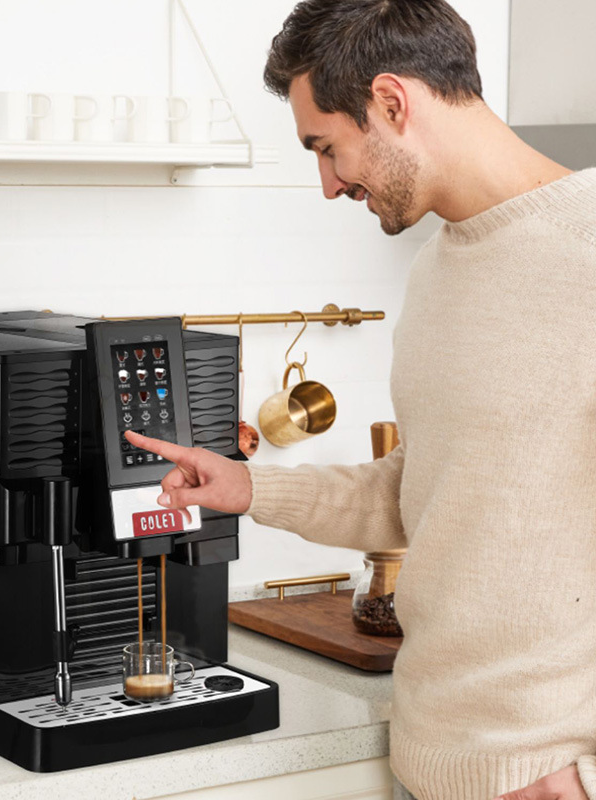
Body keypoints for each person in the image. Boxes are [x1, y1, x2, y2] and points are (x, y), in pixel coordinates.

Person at [126, 1, 596, 798]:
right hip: (434, 757)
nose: (328, 184)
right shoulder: (438, 269)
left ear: (391, 102)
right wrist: (250, 488)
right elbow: (428, 490)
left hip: (544, 777)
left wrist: (571, 769)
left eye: (326, 148)